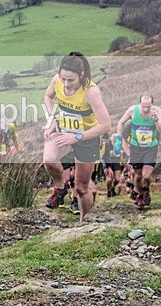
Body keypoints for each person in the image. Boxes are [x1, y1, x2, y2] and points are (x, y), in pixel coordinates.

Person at [43, 52, 111, 224]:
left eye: (71, 80)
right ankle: (60, 188)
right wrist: (52, 119)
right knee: (49, 160)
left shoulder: (91, 92)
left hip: (87, 137)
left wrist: (77, 137)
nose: (66, 84)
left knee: (81, 188)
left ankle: (84, 223)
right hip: (63, 130)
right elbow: (48, 96)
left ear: (81, 75)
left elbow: (105, 125)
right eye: (63, 78)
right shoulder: (57, 81)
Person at [115, 95, 161, 210]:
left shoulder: (157, 111)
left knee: (146, 176)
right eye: (143, 106)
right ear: (140, 104)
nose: (146, 109)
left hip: (150, 148)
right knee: (137, 176)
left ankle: (146, 190)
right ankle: (140, 196)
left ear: (152, 104)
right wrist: (119, 139)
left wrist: (156, 119)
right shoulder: (133, 110)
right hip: (136, 148)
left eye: (148, 106)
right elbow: (120, 122)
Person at [100, 133, 125, 198]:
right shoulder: (107, 144)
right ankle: (109, 191)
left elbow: (122, 155)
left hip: (116, 162)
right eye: (114, 141)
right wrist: (107, 167)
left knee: (117, 179)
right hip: (107, 162)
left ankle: (112, 188)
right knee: (109, 179)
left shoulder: (119, 144)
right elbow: (105, 157)